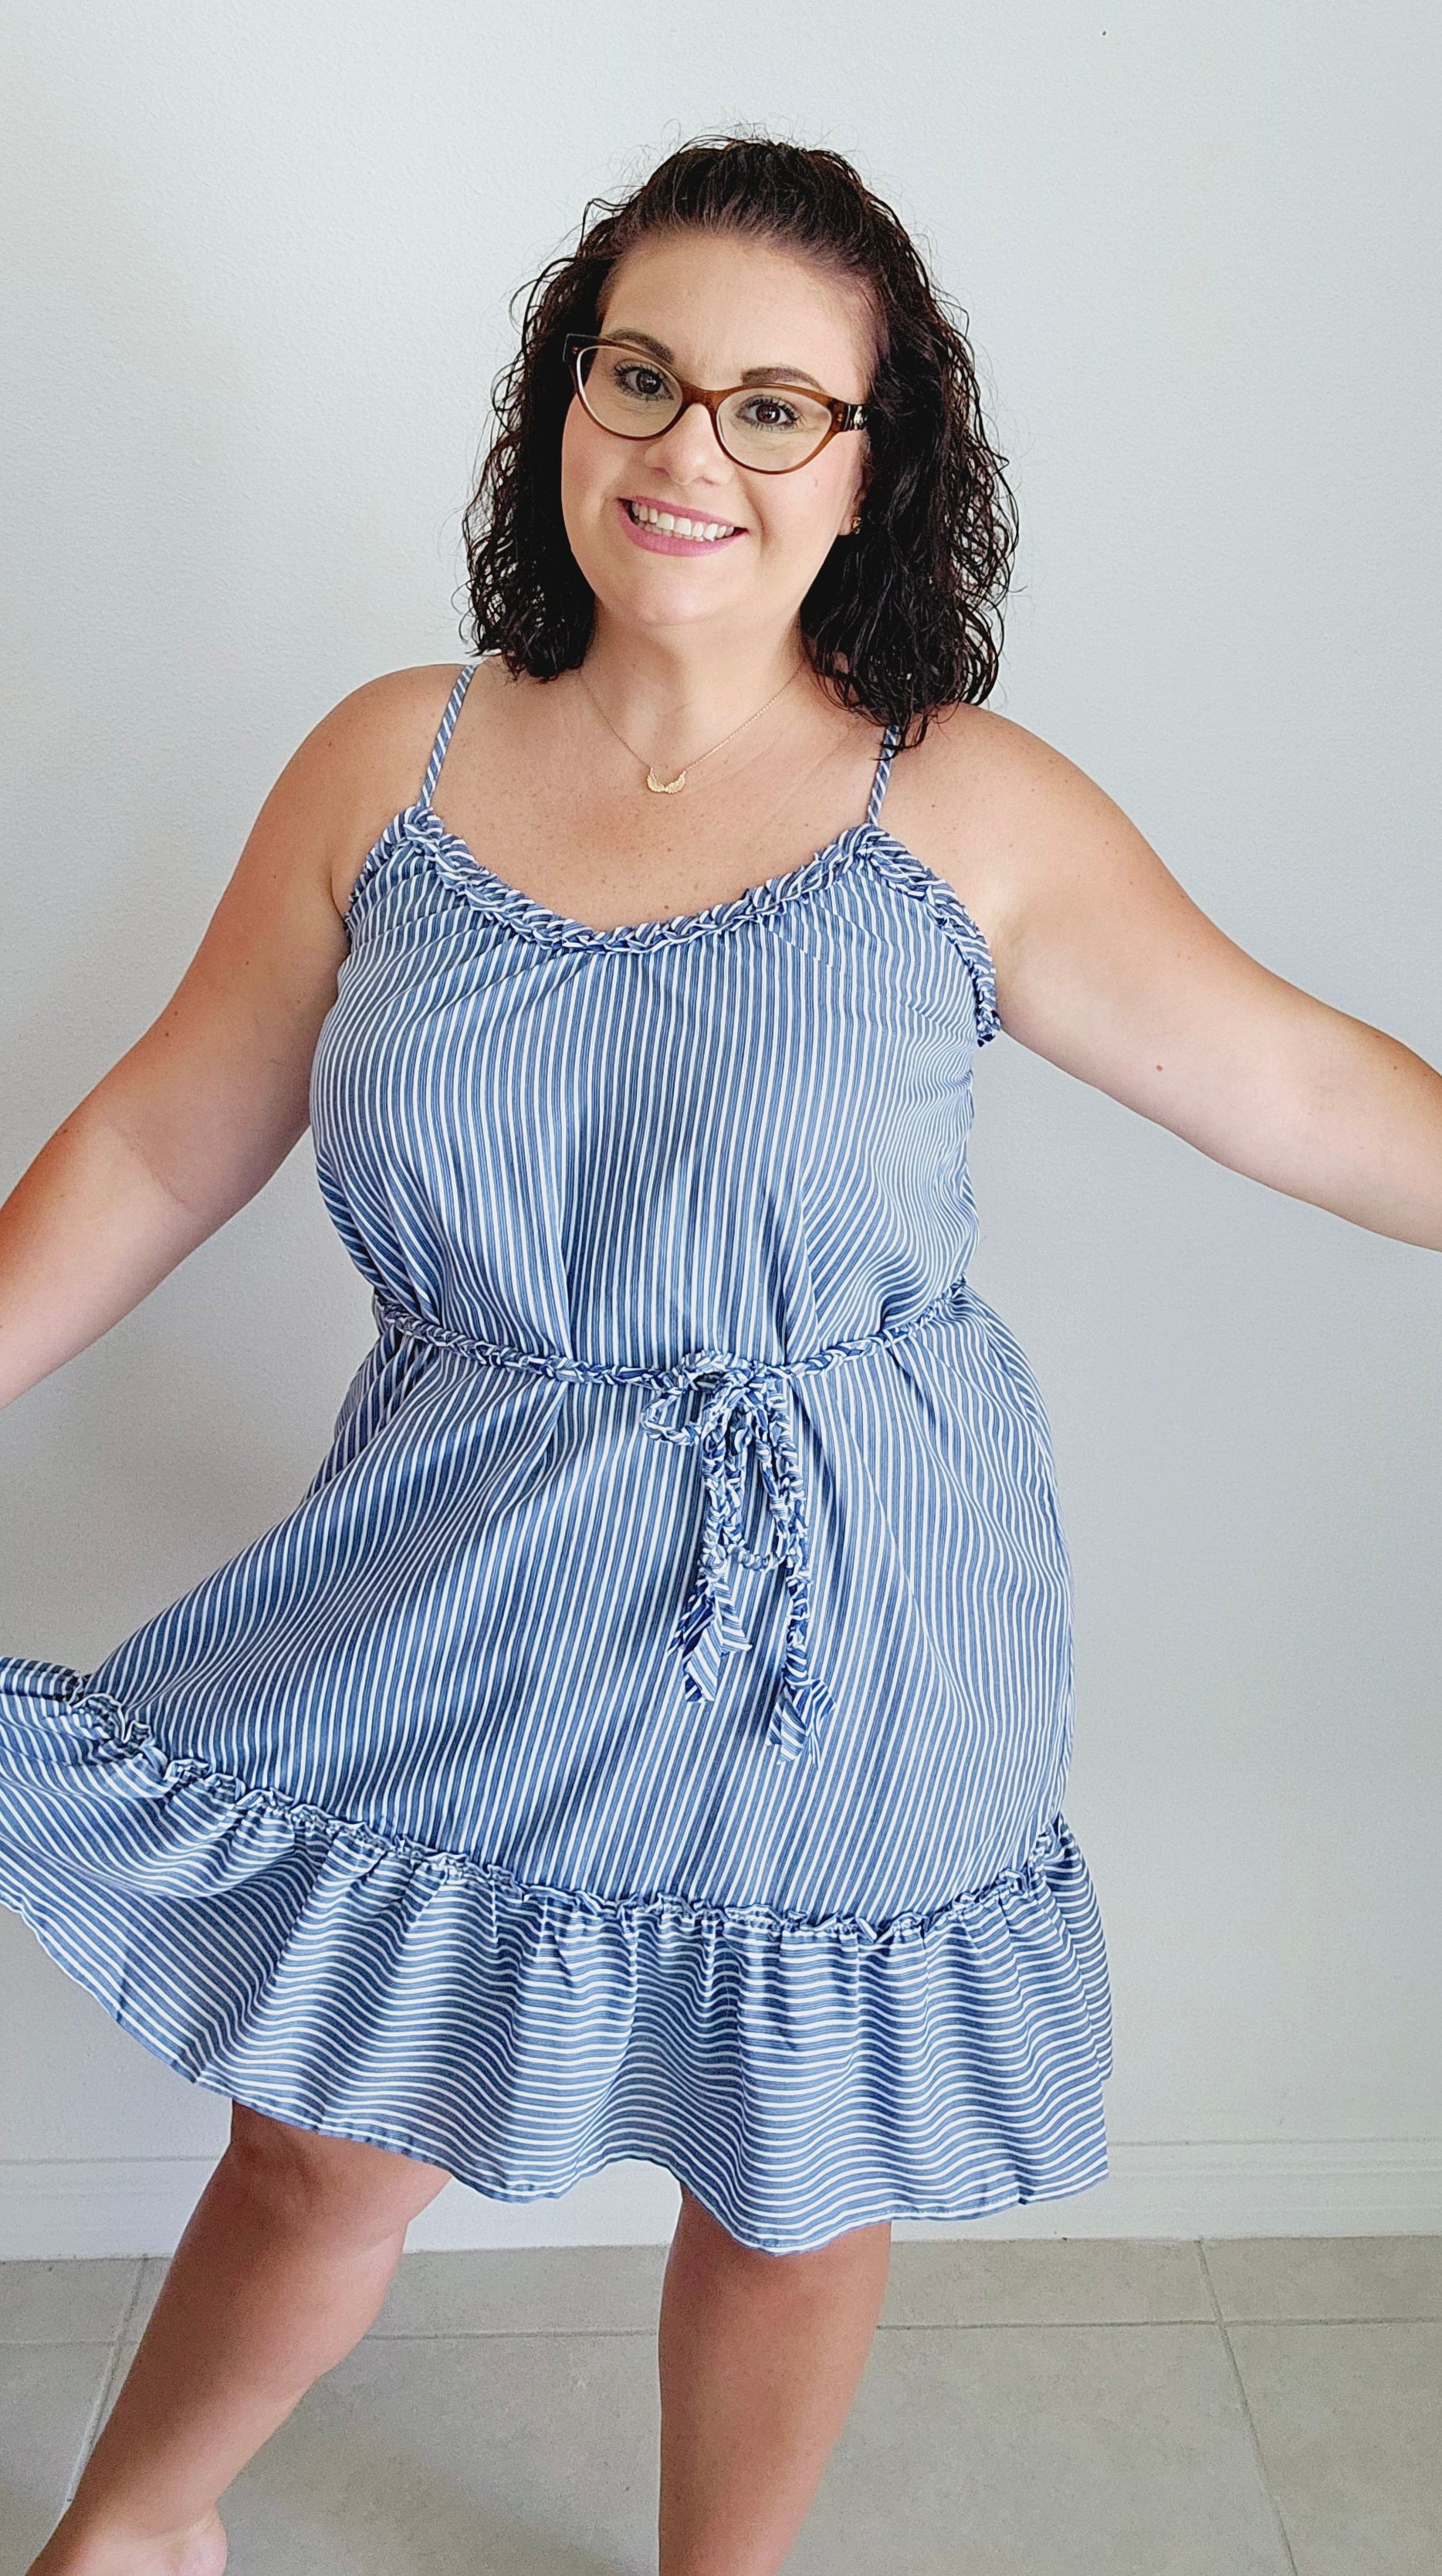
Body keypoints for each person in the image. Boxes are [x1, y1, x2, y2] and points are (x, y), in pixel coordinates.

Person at [1, 133, 1437, 2576]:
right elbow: (163, 1136)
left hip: (850, 1604)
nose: (690, 449)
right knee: (324, 2119)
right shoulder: (397, 761)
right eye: (642, 376)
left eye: (778, 407)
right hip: (459, 1557)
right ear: (563, 405)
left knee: (794, 2162)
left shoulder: (952, 805)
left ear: (871, 470)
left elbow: (1301, 1087)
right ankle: (135, 2531)